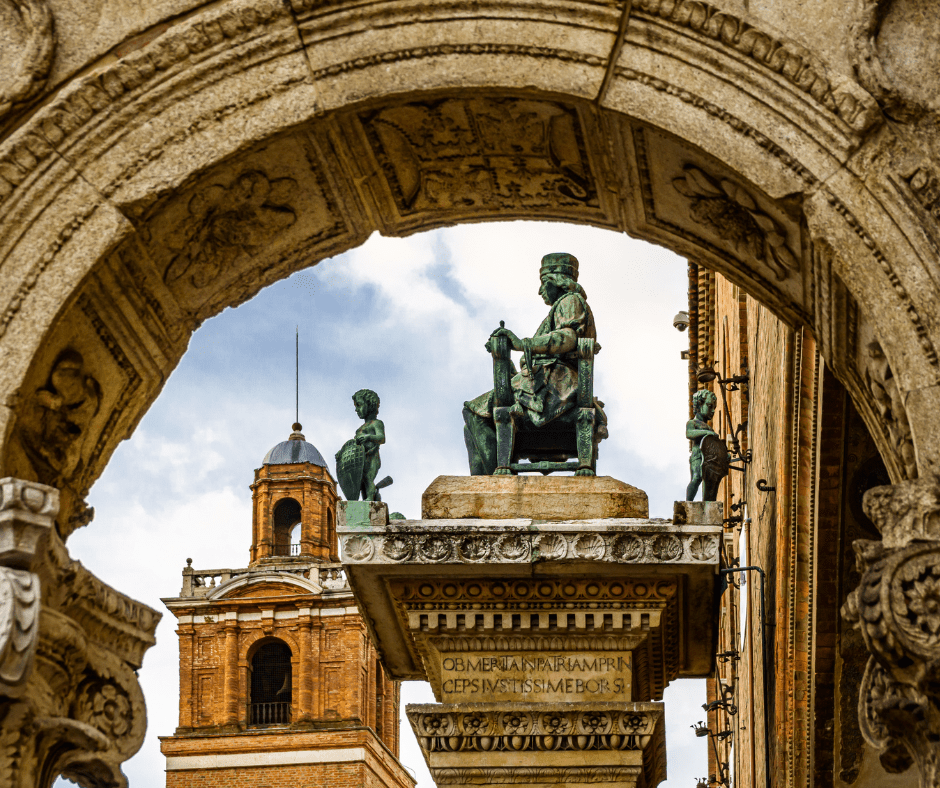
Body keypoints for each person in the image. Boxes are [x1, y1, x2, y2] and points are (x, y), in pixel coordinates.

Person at [463, 252, 607, 475]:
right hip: (543, 383)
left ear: (555, 281)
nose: (540, 291)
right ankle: (485, 481)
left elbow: (568, 338)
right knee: (473, 418)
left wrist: (522, 344)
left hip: (554, 385)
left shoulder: (570, 301)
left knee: (475, 412)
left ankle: (490, 481)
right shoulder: (564, 305)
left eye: (543, 283)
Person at [686, 389, 720, 501]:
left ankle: (707, 504)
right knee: (696, 478)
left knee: (709, 482)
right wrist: (707, 433)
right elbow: (689, 433)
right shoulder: (693, 423)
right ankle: (688, 503)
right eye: (710, 406)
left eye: (714, 407)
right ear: (699, 404)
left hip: (709, 458)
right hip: (697, 455)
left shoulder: (709, 428)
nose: (713, 411)